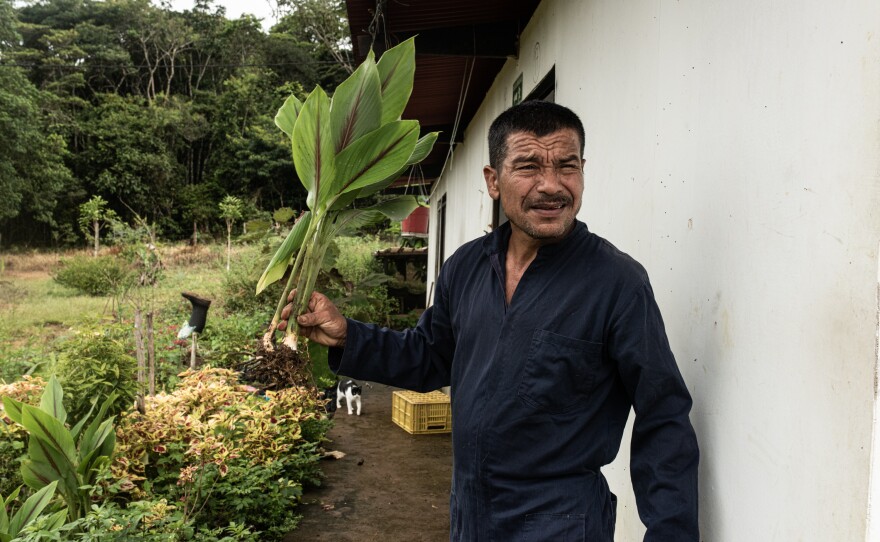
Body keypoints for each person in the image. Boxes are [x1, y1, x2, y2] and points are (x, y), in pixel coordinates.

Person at [282, 100, 699, 541]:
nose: (551, 185)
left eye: (567, 166)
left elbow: (663, 413)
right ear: (492, 180)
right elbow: (429, 356)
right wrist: (348, 335)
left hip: (561, 524)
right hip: (471, 513)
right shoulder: (466, 267)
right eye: (529, 166)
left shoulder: (617, 283)